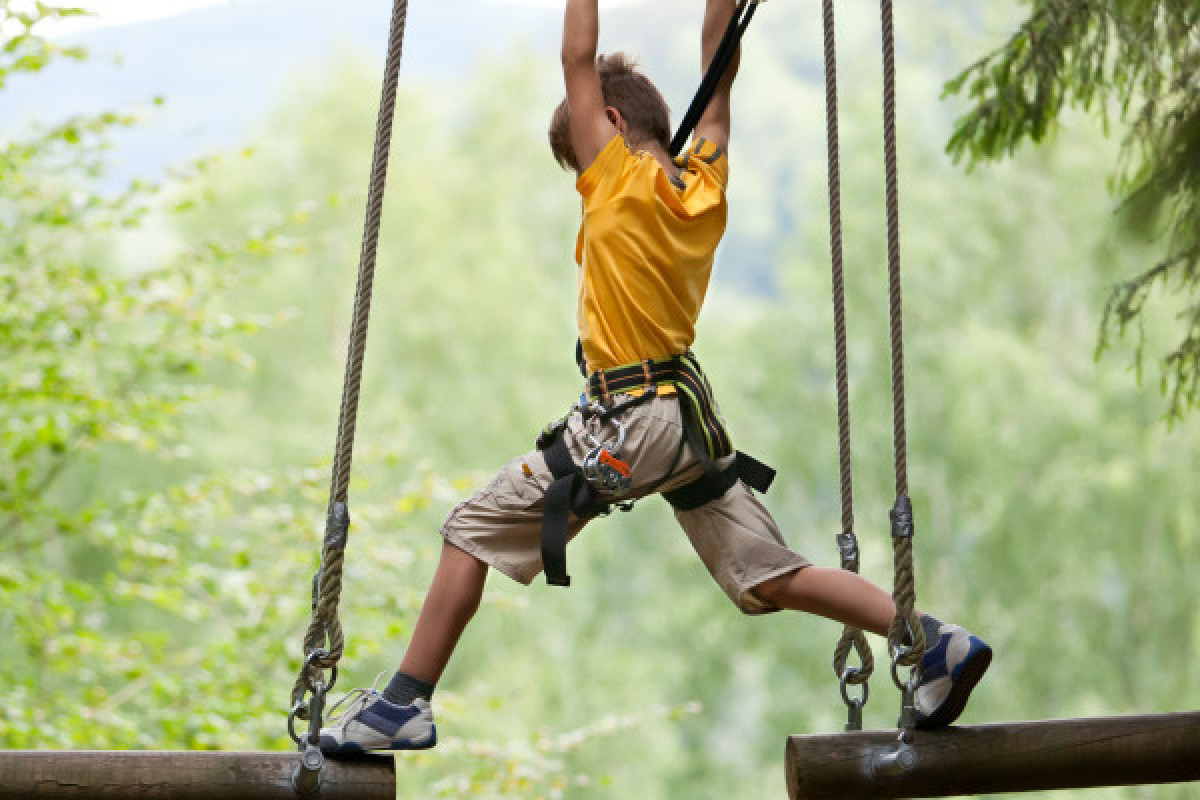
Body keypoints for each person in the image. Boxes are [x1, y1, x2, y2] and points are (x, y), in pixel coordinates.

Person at [318, 0, 991, 755]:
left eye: (580, 156)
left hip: (630, 417)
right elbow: (719, 71)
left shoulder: (614, 178)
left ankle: (403, 703)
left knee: (470, 530)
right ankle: (931, 640)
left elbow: (577, 56)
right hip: (685, 423)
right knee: (766, 574)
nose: (582, 175)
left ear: (607, 124)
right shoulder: (703, 183)